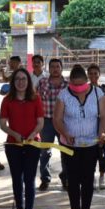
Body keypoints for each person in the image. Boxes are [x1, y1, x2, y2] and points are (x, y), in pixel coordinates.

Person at [53, 65, 105, 209]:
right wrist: (65, 133)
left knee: (88, 180)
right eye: (74, 85)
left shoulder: (98, 93)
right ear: (70, 82)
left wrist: (101, 132)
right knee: (72, 180)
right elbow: (57, 119)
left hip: (91, 145)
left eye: (81, 85)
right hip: (70, 145)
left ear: (87, 81)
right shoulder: (63, 95)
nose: (78, 88)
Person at [0, 68, 44, 209]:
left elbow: (40, 122)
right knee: (17, 180)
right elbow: (2, 124)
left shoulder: (36, 98)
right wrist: (14, 134)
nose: (20, 82)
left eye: (23, 79)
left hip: (33, 145)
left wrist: (32, 135)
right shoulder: (7, 100)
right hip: (13, 146)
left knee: (29, 180)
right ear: (13, 82)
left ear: (28, 81)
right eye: (17, 79)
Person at [37, 58, 68, 190]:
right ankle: (45, 179)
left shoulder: (68, 85)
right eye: (52, 67)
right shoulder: (42, 82)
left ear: (61, 68)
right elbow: (36, 100)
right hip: (46, 122)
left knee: (65, 151)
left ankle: (66, 178)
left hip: (63, 122)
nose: (55, 69)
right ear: (48, 69)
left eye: (57, 66)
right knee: (45, 152)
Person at [87, 63, 105, 190]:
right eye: (90, 73)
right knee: (91, 152)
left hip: (103, 122)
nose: (93, 76)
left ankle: (102, 176)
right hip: (89, 124)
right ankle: (91, 177)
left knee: (103, 152)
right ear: (87, 75)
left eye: (95, 73)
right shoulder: (84, 88)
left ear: (99, 74)